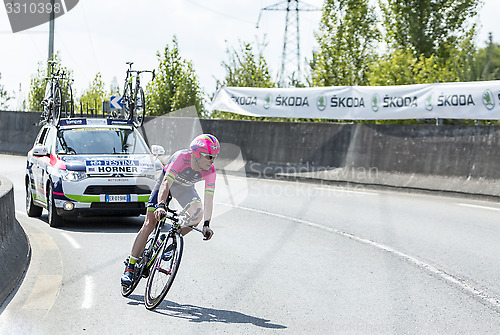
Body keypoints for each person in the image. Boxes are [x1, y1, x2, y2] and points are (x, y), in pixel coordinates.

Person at [121, 134, 220, 286]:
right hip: (166, 184)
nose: (212, 161)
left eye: (214, 157)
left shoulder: (211, 170)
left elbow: (208, 199)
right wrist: (161, 205)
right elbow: (166, 183)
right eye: (209, 157)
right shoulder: (182, 157)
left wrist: (207, 223)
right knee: (150, 223)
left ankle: (169, 241)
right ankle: (130, 267)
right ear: (197, 153)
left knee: (197, 215)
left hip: (185, 189)